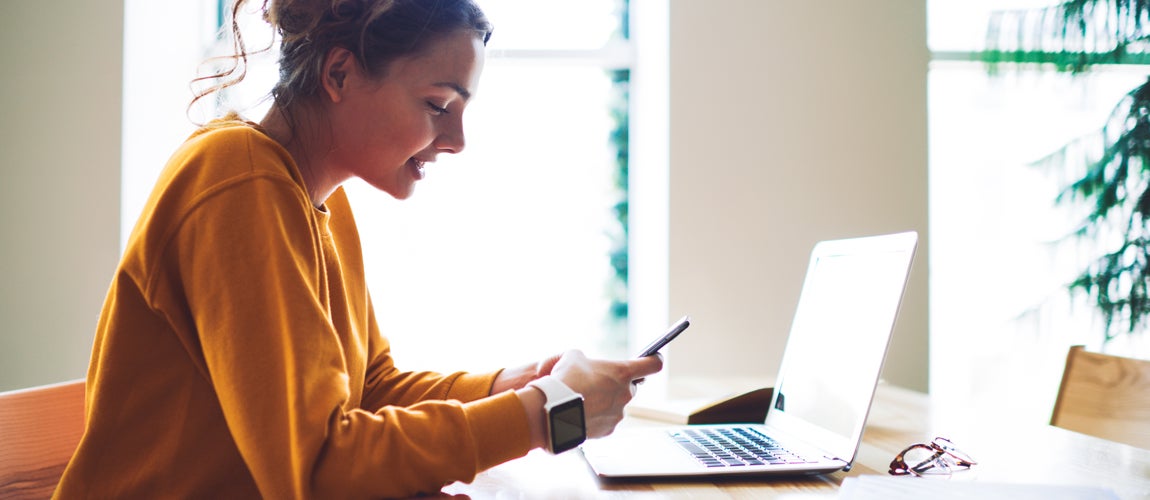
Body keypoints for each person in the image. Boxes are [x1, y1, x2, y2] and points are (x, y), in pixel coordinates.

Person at [54, 0, 663, 497]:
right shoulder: (237, 183)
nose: (456, 140)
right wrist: (546, 412)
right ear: (339, 74)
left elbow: (370, 388)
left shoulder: (318, 199)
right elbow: (318, 470)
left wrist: (515, 383)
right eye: (437, 106)